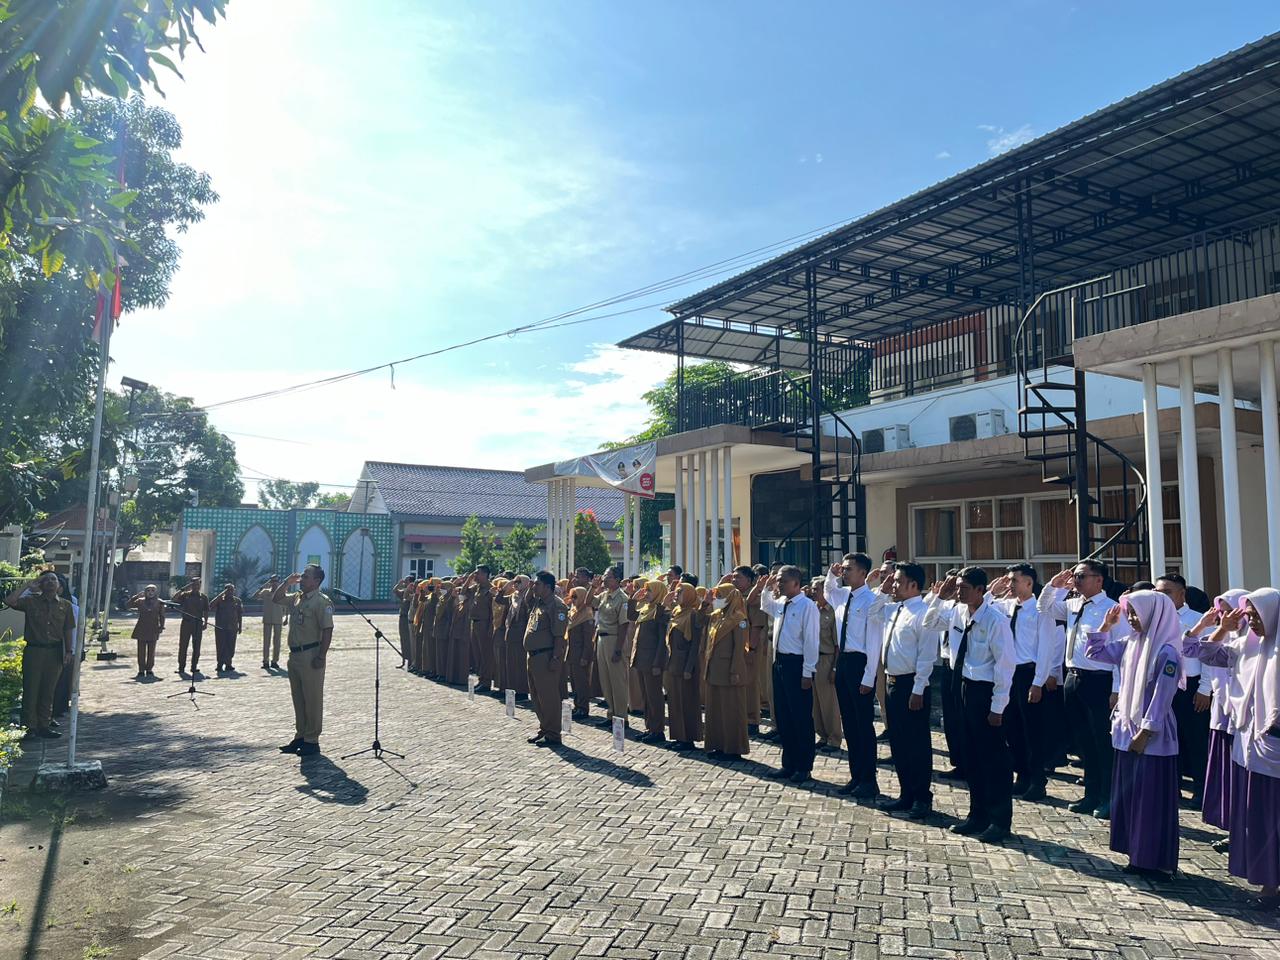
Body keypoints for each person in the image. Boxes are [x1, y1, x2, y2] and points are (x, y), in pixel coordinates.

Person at [1185, 590, 1280, 907]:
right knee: (1260, 819)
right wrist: (1222, 628)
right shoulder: (1245, 647)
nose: (1251, 621)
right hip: (1250, 746)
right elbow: (1196, 651)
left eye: (1255, 615)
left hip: (1273, 748)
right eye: (1248, 615)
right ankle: (1268, 884)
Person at [1087, 591, 1183, 879]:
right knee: (1131, 797)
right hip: (1126, 731)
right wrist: (1105, 627)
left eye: (1135, 613)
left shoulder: (1166, 651)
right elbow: (1095, 653)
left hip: (1150, 736)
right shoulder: (1132, 643)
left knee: (1150, 799)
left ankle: (1152, 859)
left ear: (1154, 614)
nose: (1131, 619)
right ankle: (1135, 852)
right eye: (1129, 613)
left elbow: (1162, 698)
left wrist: (1146, 731)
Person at [928, 568, 1017, 842]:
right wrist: (939, 598)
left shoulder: (995, 620)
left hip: (985, 691)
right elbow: (929, 623)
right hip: (961, 686)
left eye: (965, 587)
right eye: (957, 587)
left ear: (981, 590)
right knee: (971, 757)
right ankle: (976, 814)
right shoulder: (956, 611)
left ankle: (999, 820)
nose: (959, 591)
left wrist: (997, 707)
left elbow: (1005, 665)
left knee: (993, 759)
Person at [1039, 560, 1125, 819]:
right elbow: (1045, 609)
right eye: (1075, 576)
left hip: (1100, 680)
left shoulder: (1112, 609)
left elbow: (1121, 652)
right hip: (1074, 677)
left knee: (1102, 741)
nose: (1075, 581)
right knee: (1084, 740)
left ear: (1099, 580)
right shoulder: (1074, 604)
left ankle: (1108, 797)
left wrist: (1117, 688)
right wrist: (1053, 587)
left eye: (1081, 576)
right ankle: (1090, 794)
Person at [871, 561, 937, 819]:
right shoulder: (893, 609)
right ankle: (905, 793)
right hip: (892, 681)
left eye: (898, 581)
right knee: (898, 742)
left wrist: (919, 689)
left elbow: (926, 656)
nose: (894, 584)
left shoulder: (923, 612)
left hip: (912, 684)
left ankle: (922, 797)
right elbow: (871, 613)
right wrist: (884, 591)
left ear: (913, 584)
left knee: (917, 744)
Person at [988, 563, 1051, 801]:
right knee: (1012, 728)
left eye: (1014, 580)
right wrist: (992, 591)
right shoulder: (1005, 606)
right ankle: (1022, 775)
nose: (1010, 584)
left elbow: (1045, 649)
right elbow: (984, 607)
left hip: (1028, 673)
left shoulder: (1040, 610)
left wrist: (1038, 683)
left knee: (1032, 731)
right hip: (1008, 674)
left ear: (1029, 583)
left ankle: (1037, 780)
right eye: (1009, 579)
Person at [825, 553, 884, 799]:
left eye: (849, 569)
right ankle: (856, 775)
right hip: (844, 661)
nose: (845, 572)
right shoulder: (842, 596)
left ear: (863, 573)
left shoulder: (872, 600)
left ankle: (869, 779)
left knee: (863, 725)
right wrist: (832, 573)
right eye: (844, 569)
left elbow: (874, 642)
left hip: (861, 662)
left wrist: (869, 677)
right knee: (849, 722)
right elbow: (829, 590)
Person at [1155, 573, 1212, 806]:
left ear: (1182, 594)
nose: (1163, 597)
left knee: (1196, 741)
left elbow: (1208, 656)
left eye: (1167, 592)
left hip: (1191, 686)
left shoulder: (1197, 619)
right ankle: (1172, 788)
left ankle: (1201, 791)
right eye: (1158, 593)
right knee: (1168, 740)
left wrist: (1205, 688)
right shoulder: (1154, 620)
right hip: (1163, 687)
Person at [760, 565, 820, 784]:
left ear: (795, 583)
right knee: (784, 716)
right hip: (780, 662)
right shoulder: (782, 604)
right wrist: (767, 588)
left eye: (783, 580)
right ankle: (789, 763)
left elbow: (811, 641)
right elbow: (765, 605)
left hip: (798, 664)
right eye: (778, 580)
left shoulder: (807, 606)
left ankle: (804, 766)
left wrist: (808, 672)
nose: (779, 583)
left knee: (801, 718)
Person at [1199, 589, 1249, 836]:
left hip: (1244, 720)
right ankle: (1230, 827)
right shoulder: (1223, 637)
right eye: (1222, 612)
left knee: (1241, 777)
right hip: (1222, 714)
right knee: (1225, 775)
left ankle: (1242, 830)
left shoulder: (1252, 642)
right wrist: (1218, 628)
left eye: (1232, 612)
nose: (1226, 617)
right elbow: (1202, 653)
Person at [273, 564, 334, 757]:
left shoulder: (321, 602)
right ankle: (300, 735)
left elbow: (327, 629)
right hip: (295, 654)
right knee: (298, 698)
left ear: (316, 581)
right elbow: (277, 598)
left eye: (306, 576)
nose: (302, 578)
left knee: (312, 699)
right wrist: (286, 583)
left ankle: (312, 740)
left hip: (311, 654)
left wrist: (321, 656)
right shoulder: (298, 597)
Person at [5, 571, 74, 739]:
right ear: (41, 584)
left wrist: (69, 651)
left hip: (55, 651)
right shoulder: (30, 601)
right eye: (46, 579)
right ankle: (30, 727)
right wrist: (28, 586)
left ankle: (44, 724)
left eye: (54, 579)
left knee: (48, 690)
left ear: (59, 585)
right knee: (31, 688)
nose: (50, 582)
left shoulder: (65, 605)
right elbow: (9, 601)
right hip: (34, 650)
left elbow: (68, 629)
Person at [704, 583, 752, 760]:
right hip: (714, 669)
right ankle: (718, 745)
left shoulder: (739, 619)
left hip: (730, 671)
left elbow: (739, 649)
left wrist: (735, 672)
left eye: (720, 595)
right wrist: (705, 603)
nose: (717, 599)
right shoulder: (716, 616)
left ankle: (733, 748)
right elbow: (699, 621)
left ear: (730, 597)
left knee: (732, 711)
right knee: (715, 711)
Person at [524, 570, 569, 747]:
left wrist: (556, 658)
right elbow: (526, 600)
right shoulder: (539, 602)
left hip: (546, 656)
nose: (534, 587)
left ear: (548, 587)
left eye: (537, 584)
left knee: (549, 697)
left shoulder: (556, 606)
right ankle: (544, 729)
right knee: (537, 695)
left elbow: (559, 636)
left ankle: (553, 734)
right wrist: (529, 587)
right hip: (534, 656)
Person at [630, 579, 670, 744]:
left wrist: (657, 663)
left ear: (659, 592)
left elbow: (662, 641)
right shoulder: (646, 609)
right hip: (641, 658)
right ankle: (649, 727)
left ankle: (658, 730)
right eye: (645, 590)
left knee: (654, 696)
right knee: (646, 695)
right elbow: (630, 615)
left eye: (649, 591)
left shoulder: (662, 612)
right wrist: (633, 598)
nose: (645, 594)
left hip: (652, 660)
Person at [664, 581, 703, 750]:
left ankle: (688, 738)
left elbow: (695, 644)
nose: (676, 595)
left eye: (680, 593)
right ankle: (679, 736)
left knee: (687, 702)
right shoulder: (676, 612)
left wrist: (689, 668)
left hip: (685, 665)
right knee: (675, 702)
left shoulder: (693, 614)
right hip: (673, 663)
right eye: (676, 592)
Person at [594, 566, 632, 728]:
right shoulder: (603, 595)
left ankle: (622, 717)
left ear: (617, 579)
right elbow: (589, 601)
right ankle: (611, 714)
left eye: (608, 576)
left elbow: (623, 626)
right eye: (604, 576)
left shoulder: (622, 599)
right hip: (602, 639)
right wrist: (593, 587)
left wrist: (618, 649)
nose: (604, 579)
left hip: (615, 640)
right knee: (606, 680)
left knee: (617, 681)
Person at [809, 579, 842, 754]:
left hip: (826, 659)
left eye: (817, 589)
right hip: (811, 659)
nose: (813, 592)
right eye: (813, 589)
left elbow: (837, 645)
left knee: (829, 702)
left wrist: (834, 668)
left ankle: (834, 738)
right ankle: (822, 735)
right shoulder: (811, 609)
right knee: (816, 702)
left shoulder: (833, 612)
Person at [566, 586, 596, 721]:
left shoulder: (587, 614)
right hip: (572, 652)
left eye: (575, 597)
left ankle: (583, 708)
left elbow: (588, 639)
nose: (573, 600)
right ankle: (577, 706)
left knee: (582, 682)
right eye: (572, 596)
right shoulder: (573, 612)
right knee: (574, 682)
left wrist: (585, 656)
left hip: (581, 654)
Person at [172, 576, 210, 678]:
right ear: (191, 585)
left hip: (198, 623)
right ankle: (181, 667)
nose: (196, 586)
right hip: (186, 623)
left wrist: (205, 622)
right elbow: (174, 599)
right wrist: (183, 589)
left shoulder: (203, 597)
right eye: (193, 584)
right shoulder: (185, 595)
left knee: (196, 646)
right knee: (183, 646)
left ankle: (194, 666)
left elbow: (206, 611)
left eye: (198, 584)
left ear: (200, 585)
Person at [128, 584, 166, 679]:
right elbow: (128, 605)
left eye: (153, 590)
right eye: (148, 590)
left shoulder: (159, 602)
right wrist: (135, 597)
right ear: (145, 592)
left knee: (151, 650)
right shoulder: (140, 601)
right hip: (141, 627)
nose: (150, 592)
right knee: (141, 650)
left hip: (153, 628)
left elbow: (162, 615)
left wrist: (161, 626)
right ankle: (141, 669)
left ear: (156, 592)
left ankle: (149, 669)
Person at [469, 566, 495, 694]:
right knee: (477, 654)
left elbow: (493, 611)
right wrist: (469, 578)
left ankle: (486, 682)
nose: (475, 576)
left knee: (486, 655)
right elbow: (463, 593)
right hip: (475, 623)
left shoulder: (491, 589)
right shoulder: (477, 588)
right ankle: (481, 679)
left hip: (485, 625)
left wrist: (491, 627)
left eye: (477, 573)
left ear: (485, 574)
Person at [209, 583, 244, 674]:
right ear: (224, 591)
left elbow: (239, 614)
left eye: (232, 590)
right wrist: (220, 596)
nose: (230, 592)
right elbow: (211, 606)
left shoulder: (237, 601)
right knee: (221, 646)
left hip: (232, 627)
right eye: (228, 590)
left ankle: (228, 663)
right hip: (221, 627)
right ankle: (220, 664)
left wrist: (240, 626)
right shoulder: (220, 600)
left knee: (231, 646)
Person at [254, 575, 286, 669]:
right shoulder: (265, 592)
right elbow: (255, 596)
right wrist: (261, 588)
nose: (275, 583)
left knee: (277, 642)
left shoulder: (282, 592)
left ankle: (275, 661)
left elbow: (286, 606)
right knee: (266, 642)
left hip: (278, 619)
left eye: (276, 581)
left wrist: (286, 618)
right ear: (270, 582)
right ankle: (265, 661)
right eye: (273, 581)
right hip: (267, 619)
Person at [393, 575, 415, 669]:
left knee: (408, 640)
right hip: (402, 618)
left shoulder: (412, 593)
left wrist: (407, 589)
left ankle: (410, 662)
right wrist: (399, 584)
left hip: (407, 618)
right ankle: (403, 660)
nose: (405, 582)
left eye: (407, 581)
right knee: (403, 639)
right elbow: (395, 591)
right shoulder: (404, 592)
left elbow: (407, 598)